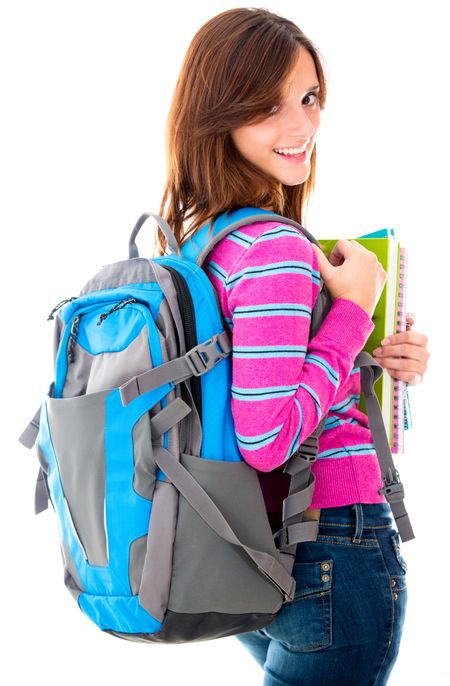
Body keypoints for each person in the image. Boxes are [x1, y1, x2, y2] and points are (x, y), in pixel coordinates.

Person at [153, 7, 430, 685]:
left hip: (250, 545)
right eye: (268, 106)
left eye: (309, 99)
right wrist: (354, 311)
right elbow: (270, 437)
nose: (302, 125)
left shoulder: (203, 243)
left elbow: (258, 392)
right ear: (218, 115)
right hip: (331, 540)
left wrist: (371, 358)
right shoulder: (275, 248)